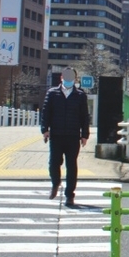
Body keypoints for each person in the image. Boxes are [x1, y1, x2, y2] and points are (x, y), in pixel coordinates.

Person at [40, 67, 90, 206]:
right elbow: (45, 113)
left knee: (71, 166)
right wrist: (45, 130)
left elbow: (84, 116)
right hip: (56, 135)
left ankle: (70, 195)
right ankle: (55, 183)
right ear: (61, 77)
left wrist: (85, 135)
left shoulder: (80, 95)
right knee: (53, 163)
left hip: (73, 136)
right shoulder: (52, 93)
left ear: (75, 78)